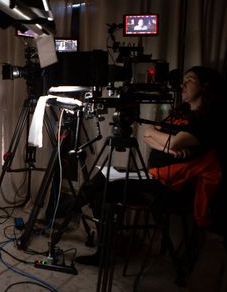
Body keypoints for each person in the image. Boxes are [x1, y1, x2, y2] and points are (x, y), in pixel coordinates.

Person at [72, 66, 224, 266]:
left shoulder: (206, 120)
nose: (182, 85)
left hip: (170, 188)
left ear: (205, 86)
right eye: (183, 80)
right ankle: (89, 232)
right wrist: (169, 146)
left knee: (104, 189)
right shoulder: (180, 113)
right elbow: (147, 133)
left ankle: (72, 213)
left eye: (190, 80)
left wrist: (170, 142)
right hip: (152, 176)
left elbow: (177, 141)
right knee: (102, 178)